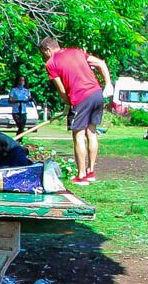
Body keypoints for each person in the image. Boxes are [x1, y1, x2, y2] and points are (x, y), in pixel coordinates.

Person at [39, 36, 113, 185]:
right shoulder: (77, 52)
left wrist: (68, 103)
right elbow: (100, 63)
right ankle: (90, 172)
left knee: (78, 135)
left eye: (43, 53)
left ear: (48, 50)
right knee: (91, 132)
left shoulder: (51, 63)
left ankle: (81, 175)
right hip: (97, 94)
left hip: (80, 97)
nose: (43, 57)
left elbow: (61, 90)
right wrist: (108, 84)